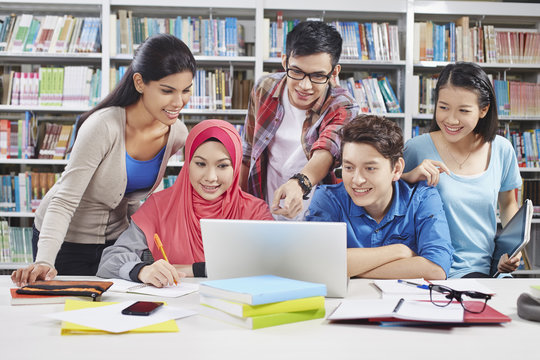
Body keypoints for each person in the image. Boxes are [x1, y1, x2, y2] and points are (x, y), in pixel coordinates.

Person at [12, 33, 196, 286]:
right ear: (140, 83)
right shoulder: (103, 126)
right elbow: (64, 200)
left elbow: (130, 196)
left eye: (186, 90)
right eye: (167, 90)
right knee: (70, 314)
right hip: (66, 241)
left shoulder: (176, 134)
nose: (179, 102)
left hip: (116, 245)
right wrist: (45, 261)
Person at [97, 120, 274, 286]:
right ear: (187, 163)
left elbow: (275, 265)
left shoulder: (255, 211)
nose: (211, 177)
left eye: (222, 166)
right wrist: (142, 270)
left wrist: (192, 270)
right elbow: (109, 261)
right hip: (173, 309)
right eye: (200, 164)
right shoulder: (159, 206)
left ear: (235, 167)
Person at [402, 62, 522, 278]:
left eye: (464, 110)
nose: (451, 120)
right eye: (443, 107)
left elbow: (508, 204)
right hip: (433, 269)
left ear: (483, 110)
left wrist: (513, 250)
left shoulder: (502, 149)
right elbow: (388, 200)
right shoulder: (417, 148)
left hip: (488, 269)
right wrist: (408, 177)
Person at [306, 115, 453, 280]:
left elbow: (436, 269)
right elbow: (315, 262)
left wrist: (349, 269)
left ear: (396, 169)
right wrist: (398, 251)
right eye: (348, 167)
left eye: (370, 168)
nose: (357, 180)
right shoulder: (328, 199)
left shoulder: (422, 198)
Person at [240, 21, 359, 221]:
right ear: (285, 61)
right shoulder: (264, 88)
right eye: (296, 72)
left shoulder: (343, 105)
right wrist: (237, 205)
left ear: (335, 72)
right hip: (263, 212)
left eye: (318, 76)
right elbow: (248, 151)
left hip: (316, 216)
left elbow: (327, 150)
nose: (305, 85)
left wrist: (299, 183)